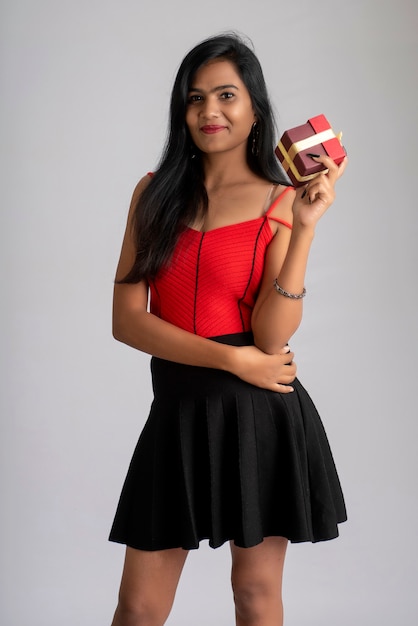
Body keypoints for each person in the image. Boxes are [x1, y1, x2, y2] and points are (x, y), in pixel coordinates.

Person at [109, 32, 347, 626]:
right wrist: (231, 361)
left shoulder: (279, 200)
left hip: (259, 416)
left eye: (225, 96)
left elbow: (270, 338)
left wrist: (305, 228)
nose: (209, 112)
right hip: (180, 411)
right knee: (138, 608)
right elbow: (126, 322)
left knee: (255, 596)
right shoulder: (153, 194)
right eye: (195, 98)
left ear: (255, 110)